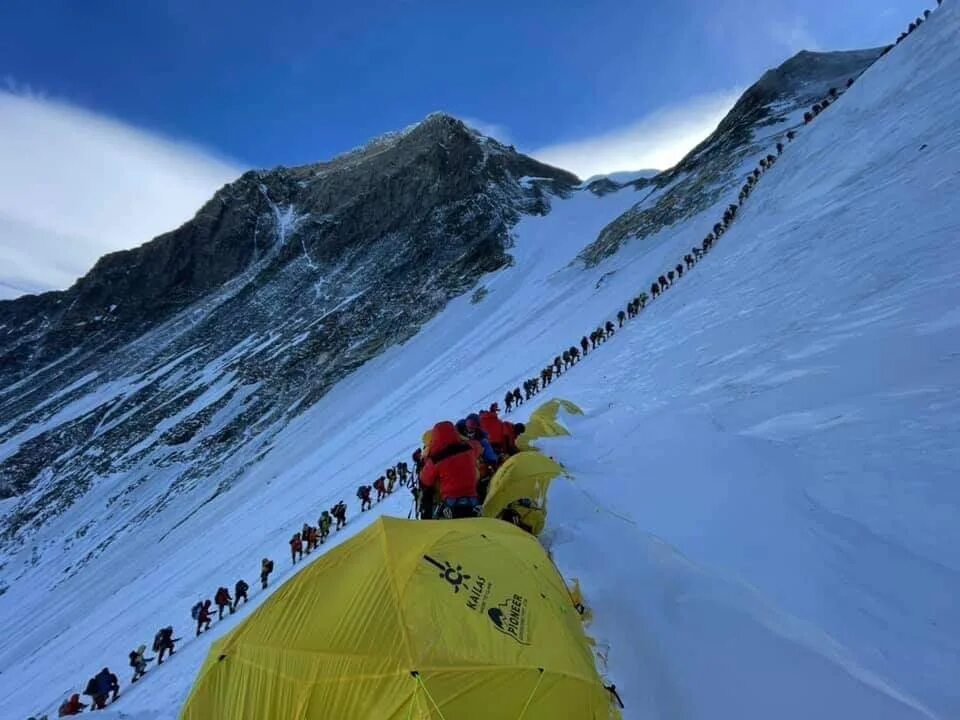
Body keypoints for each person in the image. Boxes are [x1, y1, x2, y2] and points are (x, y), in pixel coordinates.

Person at [421, 421, 480, 519]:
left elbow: (425, 480)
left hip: (451, 501)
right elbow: (478, 446)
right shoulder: (469, 448)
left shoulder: (436, 459)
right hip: (472, 497)